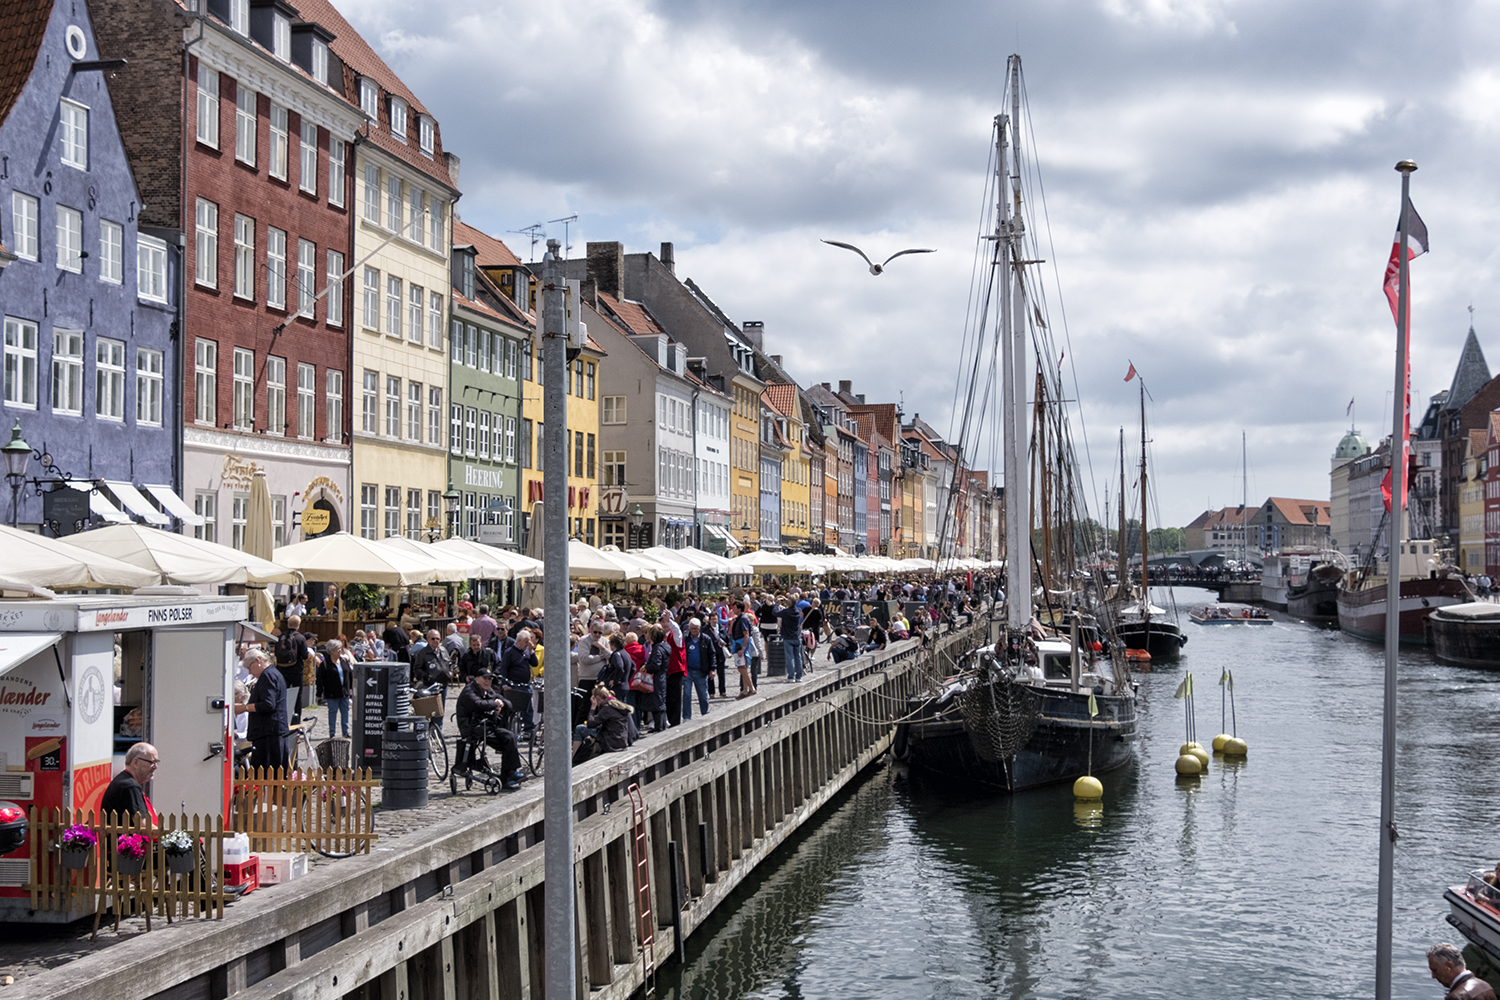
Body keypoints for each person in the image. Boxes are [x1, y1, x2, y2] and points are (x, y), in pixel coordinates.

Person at [453, 668, 522, 791]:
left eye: (490, 679)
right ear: (477, 679)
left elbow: (508, 704)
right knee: (506, 741)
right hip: (472, 727)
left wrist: (501, 703)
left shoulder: (488, 691)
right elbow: (478, 704)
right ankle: (509, 775)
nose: (488, 681)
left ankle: (509, 775)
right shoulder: (469, 691)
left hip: (487, 725)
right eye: (485, 678)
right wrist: (495, 704)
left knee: (509, 737)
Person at [235, 649, 289, 772]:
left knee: (266, 772)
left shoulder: (267, 675)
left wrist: (244, 708)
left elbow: (268, 704)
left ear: (258, 661)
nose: (250, 672)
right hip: (272, 731)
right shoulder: (274, 673)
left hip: (268, 733)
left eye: (249, 668)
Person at [101, 742, 159, 824]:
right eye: (152, 762)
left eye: (157, 762)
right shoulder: (130, 786)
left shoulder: (124, 781)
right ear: (135, 762)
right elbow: (142, 826)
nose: (155, 766)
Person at [572, 683, 634, 756]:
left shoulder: (607, 708)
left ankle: (573, 758)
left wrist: (593, 707)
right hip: (621, 742)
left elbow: (590, 724)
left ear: (597, 698)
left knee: (579, 728)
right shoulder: (616, 704)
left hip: (611, 743)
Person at [500, 629, 539, 732]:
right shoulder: (509, 653)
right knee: (513, 709)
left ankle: (528, 730)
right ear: (520, 641)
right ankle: (512, 729)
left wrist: (531, 652)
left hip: (526, 685)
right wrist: (504, 685)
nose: (528, 644)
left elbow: (535, 663)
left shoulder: (526, 652)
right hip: (513, 685)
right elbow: (503, 669)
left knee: (528, 709)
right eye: (527, 641)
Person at [1429, 942, 1497, 999]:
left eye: (1435, 970)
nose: (1433, 976)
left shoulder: (1456, 997)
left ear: (1449, 966)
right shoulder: (1485, 986)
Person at [682, 618, 720, 719]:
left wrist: (713, 669)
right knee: (686, 695)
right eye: (692, 629)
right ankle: (686, 717)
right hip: (688, 671)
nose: (694, 631)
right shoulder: (686, 639)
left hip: (701, 671)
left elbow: (712, 654)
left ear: (700, 628)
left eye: (696, 629)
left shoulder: (706, 639)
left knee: (703, 695)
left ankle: (705, 714)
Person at [317, 638, 354, 738]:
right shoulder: (325, 664)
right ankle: (332, 732)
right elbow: (320, 680)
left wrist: (351, 689)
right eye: (338, 649)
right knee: (332, 712)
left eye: (340, 648)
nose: (340, 651)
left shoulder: (344, 661)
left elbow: (350, 675)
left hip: (344, 692)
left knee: (345, 711)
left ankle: (345, 731)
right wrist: (319, 694)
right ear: (331, 651)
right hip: (332, 693)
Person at [273, 616, 309, 716]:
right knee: (298, 694)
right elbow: (305, 656)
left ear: (288, 624)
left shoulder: (280, 637)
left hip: (281, 669)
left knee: (283, 694)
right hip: (296, 670)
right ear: (298, 625)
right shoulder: (300, 638)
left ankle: (283, 717)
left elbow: (276, 653)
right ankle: (297, 718)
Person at [641, 625, 671, 733]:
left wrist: (646, 667)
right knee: (659, 702)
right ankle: (660, 726)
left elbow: (656, 665)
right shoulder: (665, 646)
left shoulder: (658, 648)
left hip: (657, 678)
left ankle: (659, 727)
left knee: (657, 703)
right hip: (662, 677)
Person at [573, 620, 609, 687]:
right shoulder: (583, 640)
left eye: (600, 633)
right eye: (595, 632)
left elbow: (611, 657)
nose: (597, 634)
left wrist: (602, 647)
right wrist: (601, 657)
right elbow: (585, 659)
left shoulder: (605, 641)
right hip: (586, 678)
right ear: (591, 629)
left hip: (601, 678)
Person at [777, 596, 804, 682]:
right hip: (797, 636)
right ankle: (799, 676)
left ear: (788, 603)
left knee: (790, 657)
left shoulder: (785, 612)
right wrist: (788, 601)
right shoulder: (798, 610)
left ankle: (791, 676)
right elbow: (793, 605)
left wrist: (777, 603)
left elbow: (775, 612)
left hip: (788, 637)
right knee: (798, 657)